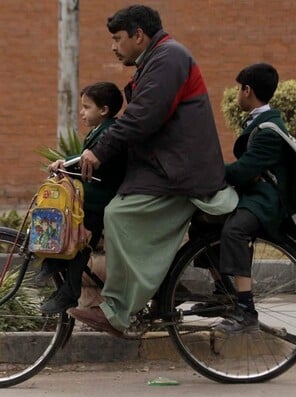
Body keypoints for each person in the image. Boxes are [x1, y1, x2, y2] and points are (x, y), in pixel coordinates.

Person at [68, 5, 237, 336]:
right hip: (168, 167)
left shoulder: (168, 58)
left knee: (119, 214)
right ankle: (156, 293)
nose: (113, 47)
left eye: (117, 39)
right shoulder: (157, 59)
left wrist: (100, 151)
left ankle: (118, 311)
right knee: (119, 209)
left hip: (181, 174)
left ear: (138, 36)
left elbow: (143, 116)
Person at [209, 62, 296, 333]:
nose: (237, 93)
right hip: (254, 194)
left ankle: (246, 310)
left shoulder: (270, 129)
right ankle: (224, 291)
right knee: (204, 222)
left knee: (235, 231)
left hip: (267, 202)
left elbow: (243, 170)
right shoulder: (262, 121)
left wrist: (209, 170)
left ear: (247, 90)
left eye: (239, 88)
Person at [38, 81, 127, 314]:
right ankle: (55, 262)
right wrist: (65, 163)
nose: (82, 112)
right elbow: (85, 159)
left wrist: (69, 165)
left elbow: (96, 164)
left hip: (101, 200)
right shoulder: (101, 130)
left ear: (104, 110)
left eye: (87, 107)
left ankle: (69, 288)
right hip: (95, 195)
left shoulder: (110, 131)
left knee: (80, 240)